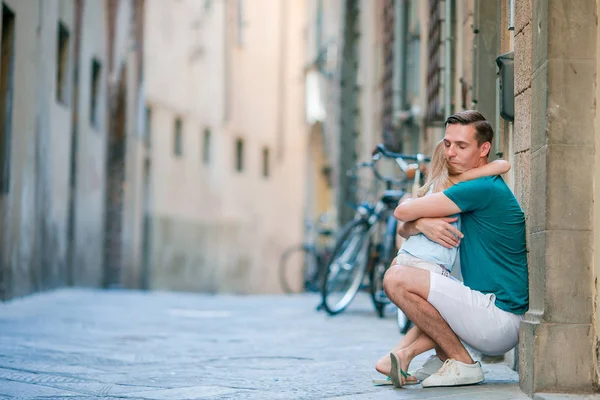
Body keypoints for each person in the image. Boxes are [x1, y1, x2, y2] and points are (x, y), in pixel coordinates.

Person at [380, 110, 528, 389]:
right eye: (447, 144)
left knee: (396, 278)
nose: (451, 152)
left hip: (499, 317)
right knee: (426, 287)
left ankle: (462, 362)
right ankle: (435, 356)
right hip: (486, 308)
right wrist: (423, 225)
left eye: (461, 146)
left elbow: (402, 211)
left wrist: (417, 219)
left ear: (484, 149)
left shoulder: (479, 188)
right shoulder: (475, 182)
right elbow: (405, 227)